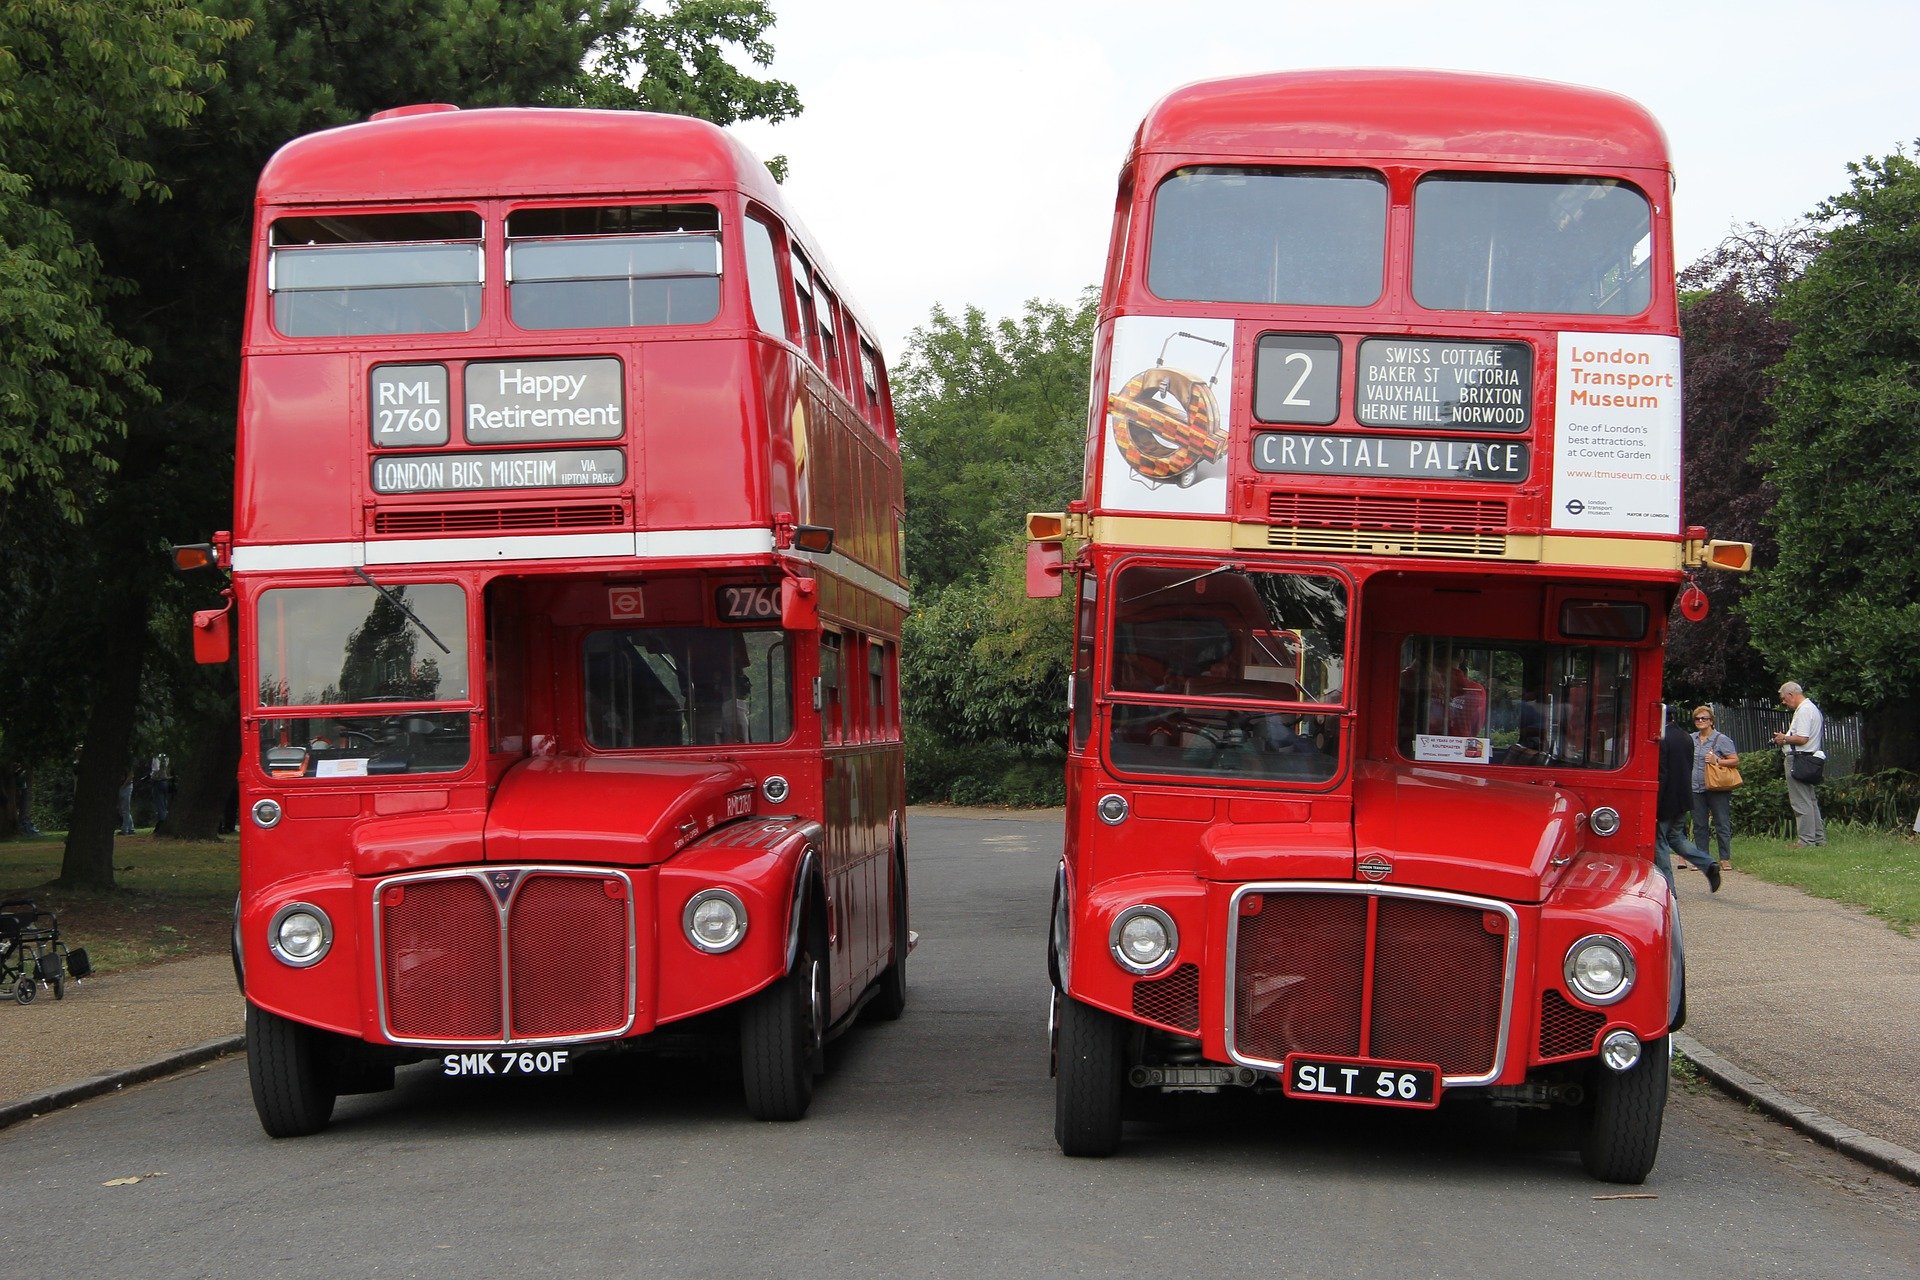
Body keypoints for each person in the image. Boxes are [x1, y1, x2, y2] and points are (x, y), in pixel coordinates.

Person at [1657, 706, 1720, 891]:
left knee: (1659, 843)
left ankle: (1669, 891)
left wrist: (1656, 805)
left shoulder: (1661, 739)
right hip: (1684, 797)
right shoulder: (1686, 737)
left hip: (1665, 799)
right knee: (1676, 837)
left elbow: (1662, 774)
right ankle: (1707, 863)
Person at [1771, 681, 1826, 847]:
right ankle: (1818, 838)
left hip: (1799, 758)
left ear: (1791, 694)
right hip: (1809, 758)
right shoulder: (1812, 709)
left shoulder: (1804, 710)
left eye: (1783, 698)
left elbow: (1802, 738)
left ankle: (1806, 840)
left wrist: (1783, 738)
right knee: (1810, 799)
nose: (1783, 702)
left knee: (1800, 801)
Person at [1689, 706, 1738, 870]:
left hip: (1717, 787)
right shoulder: (1692, 739)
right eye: (1697, 719)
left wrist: (1717, 760)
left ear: (1711, 721)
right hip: (1696, 787)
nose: (1701, 721)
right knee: (1699, 825)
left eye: (1704, 718)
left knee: (1721, 822)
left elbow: (1735, 760)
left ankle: (1725, 858)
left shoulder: (1721, 739)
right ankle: (1702, 858)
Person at [116, 769, 137, 835]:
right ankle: (131, 828)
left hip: (126, 787)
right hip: (121, 787)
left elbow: (130, 776)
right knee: (123, 810)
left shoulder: (128, 766)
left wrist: (123, 786)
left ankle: (125, 829)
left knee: (125, 810)